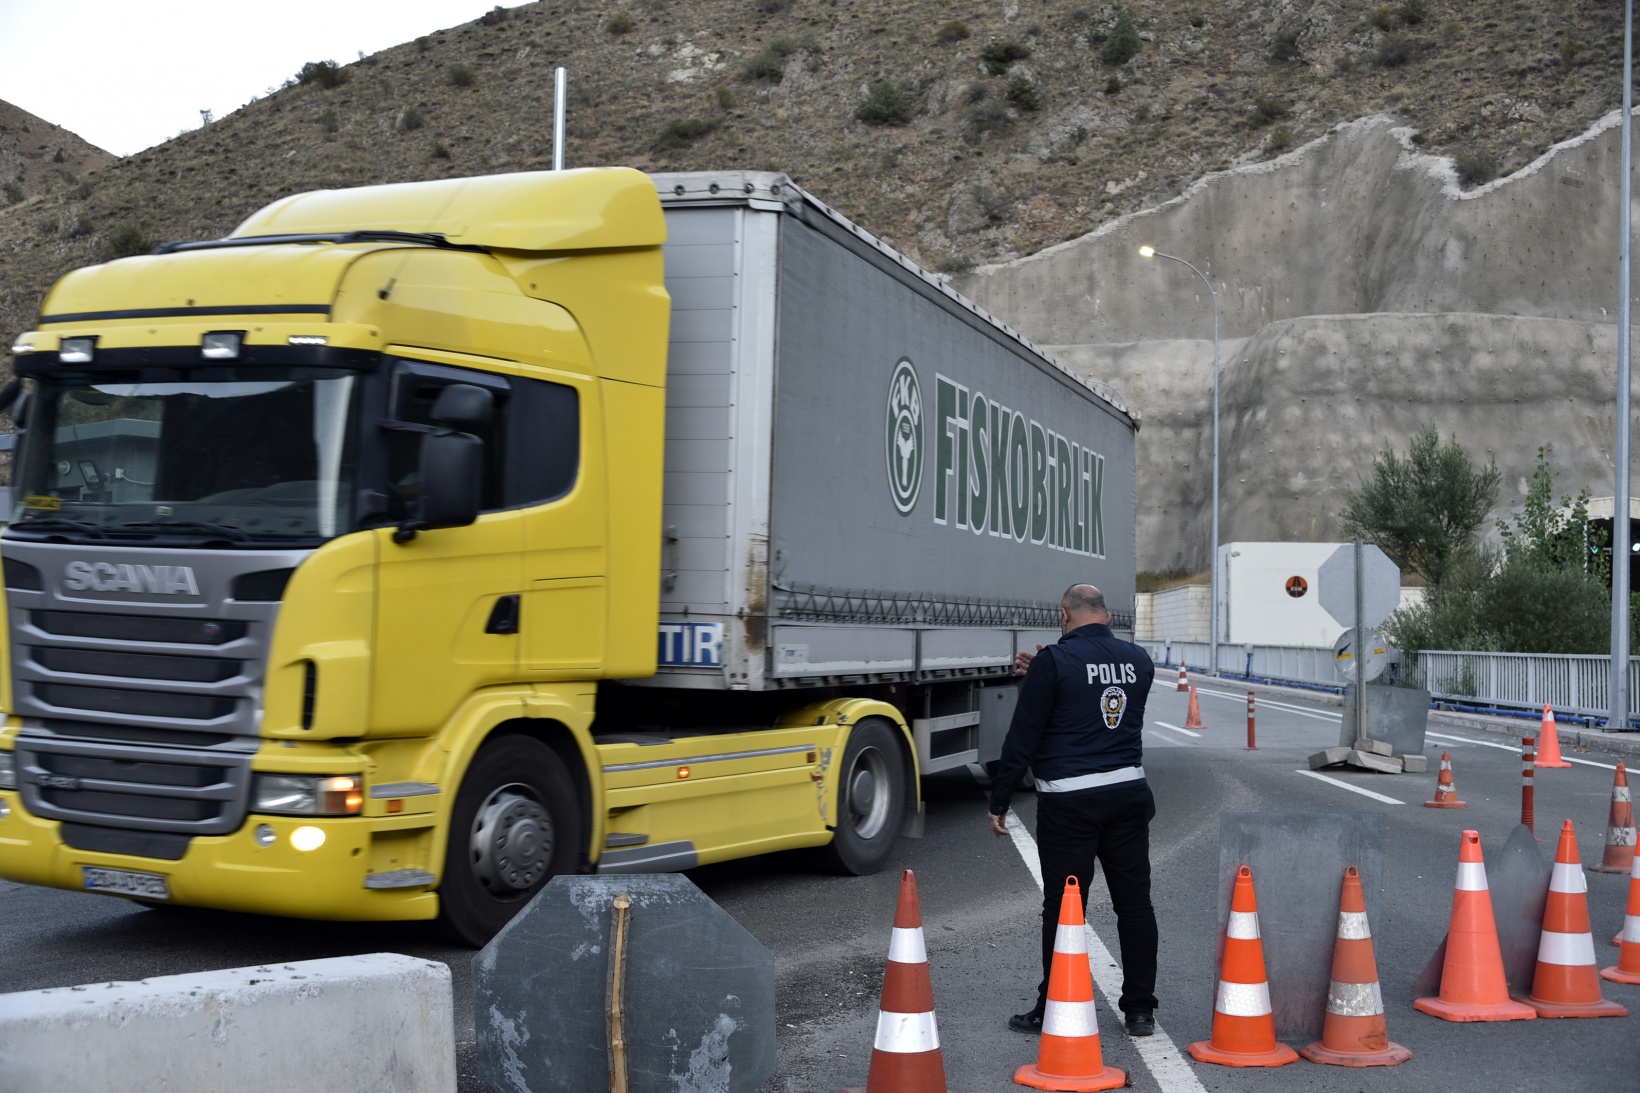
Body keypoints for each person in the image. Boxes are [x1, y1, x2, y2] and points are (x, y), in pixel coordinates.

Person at [987, 583, 1159, 1037]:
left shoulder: (1054, 663)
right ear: (1105, 615)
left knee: (1064, 908)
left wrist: (999, 800)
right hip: (1128, 793)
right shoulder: (1140, 660)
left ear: (1064, 615)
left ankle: (1053, 1007)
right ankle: (1140, 1010)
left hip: (1070, 803)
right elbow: (1094, 696)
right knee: (1135, 904)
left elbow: (1023, 738)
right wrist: (1045, 670)